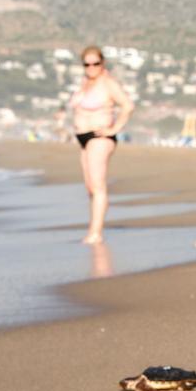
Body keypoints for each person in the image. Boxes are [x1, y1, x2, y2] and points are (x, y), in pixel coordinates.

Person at [70, 45, 134, 245]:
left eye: (95, 63)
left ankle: (95, 233)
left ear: (102, 63)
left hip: (100, 136)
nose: (91, 67)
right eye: (87, 64)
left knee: (98, 185)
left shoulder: (108, 83)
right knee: (90, 186)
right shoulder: (84, 83)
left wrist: (114, 129)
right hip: (83, 137)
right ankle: (94, 227)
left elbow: (128, 105)